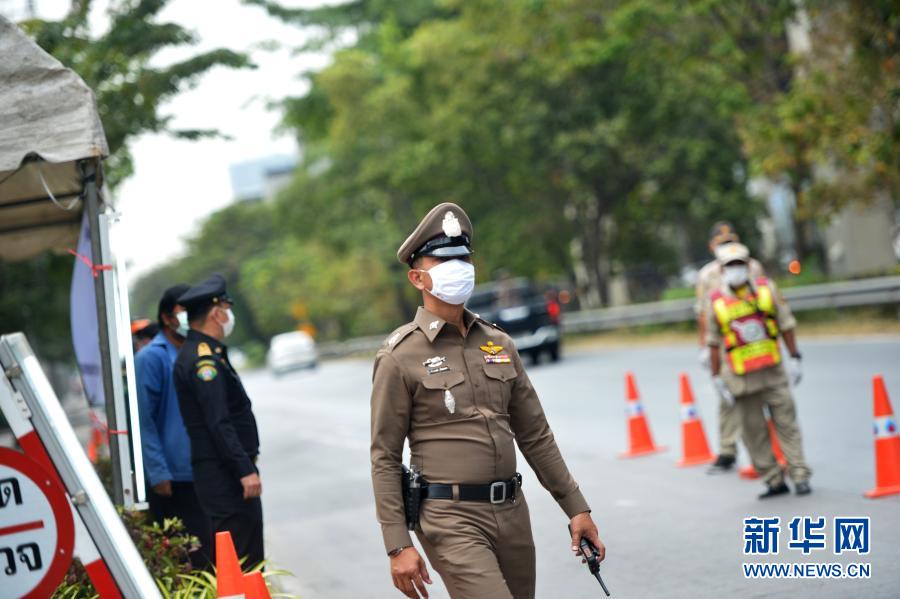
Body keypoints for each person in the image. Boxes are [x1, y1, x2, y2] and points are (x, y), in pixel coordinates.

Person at [370, 203, 604, 599]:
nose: (458, 266)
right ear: (417, 277)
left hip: (511, 511)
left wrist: (576, 508)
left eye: (463, 257)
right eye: (443, 260)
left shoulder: (499, 343)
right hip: (449, 517)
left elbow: (535, 435)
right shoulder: (399, 356)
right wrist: (398, 544)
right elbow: (384, 456)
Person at [706, 242, 812, 499]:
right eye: (731, 265)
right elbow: (712, 341)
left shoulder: (767, 289)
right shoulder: (717, 301)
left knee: (787, 425)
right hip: (741, 379)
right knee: (753, 433)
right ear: (722, 269)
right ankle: (774, 480)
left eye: (740, 264)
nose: (736, 269)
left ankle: (799, 476)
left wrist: (795, 356)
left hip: (773, 372)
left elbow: (786, 323)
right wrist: (717, 376)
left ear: (748, 265)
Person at [173, 275, 264, 567]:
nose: (229, 315)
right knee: (243, 562)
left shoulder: (207, 353)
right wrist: (244, 469)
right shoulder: (204, 361)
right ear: (216, 313)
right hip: (225, 477)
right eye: (227, 308)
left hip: (223, 474)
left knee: (245, 556)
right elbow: (218, 422)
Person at [135, 284, 213, 569]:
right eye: (183, 311)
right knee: (190, 556)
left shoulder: (198, 350)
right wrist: (158, 471)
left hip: (203, 469)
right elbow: (144, 419)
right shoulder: (152, 357)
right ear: (168, 318)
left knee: (213, 550)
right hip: (174, 477)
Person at [695, 222, 765, 474]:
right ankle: (727, 451)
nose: (727, 246)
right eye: (721, 243)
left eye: (730, 241)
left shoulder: (753, 267)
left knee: (766, 394)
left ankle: (771, 454)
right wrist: (704, 347)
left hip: (757, 341)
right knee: (728, 397)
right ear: (712, 246)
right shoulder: (707, 275)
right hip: (726, 346)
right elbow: (703, 313)